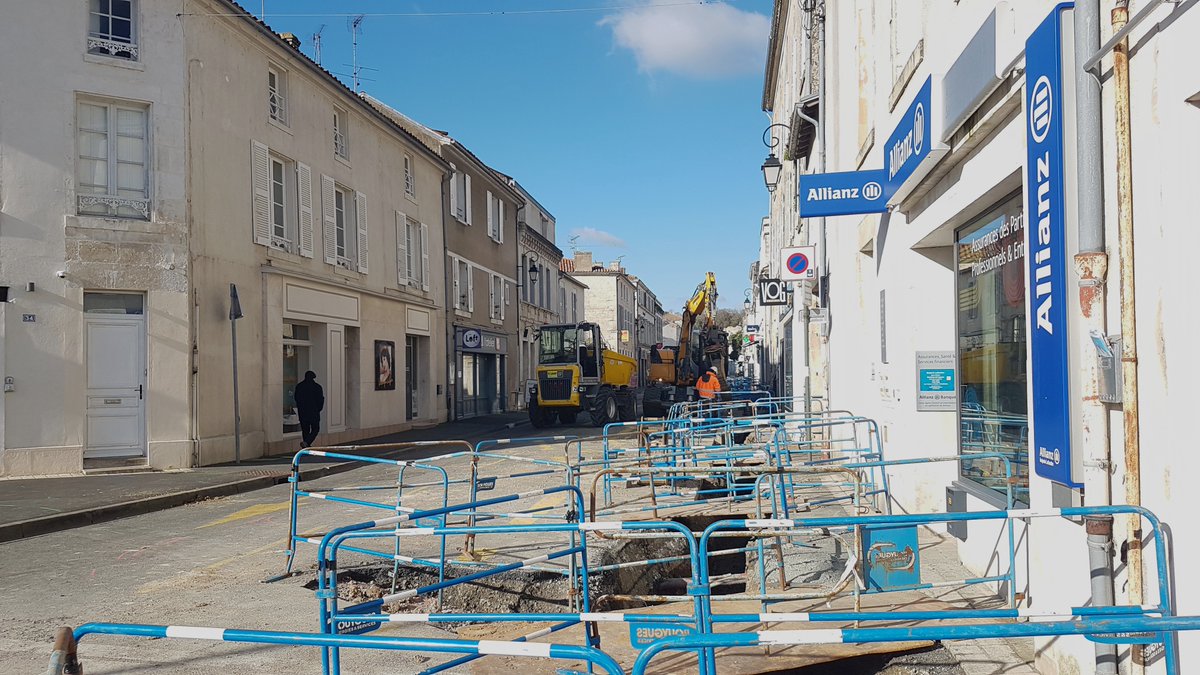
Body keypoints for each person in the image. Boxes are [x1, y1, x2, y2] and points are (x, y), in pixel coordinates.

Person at [294, 370, 325, 448]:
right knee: (315, 428)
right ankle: (307, 442)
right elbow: (320, 400)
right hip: (313, 412)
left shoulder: (299, 386)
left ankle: (306, 444)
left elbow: (296, 398)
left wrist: (300, 407)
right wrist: (318, 409)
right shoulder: (317, 387)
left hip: (303, 412)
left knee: (305, 429)